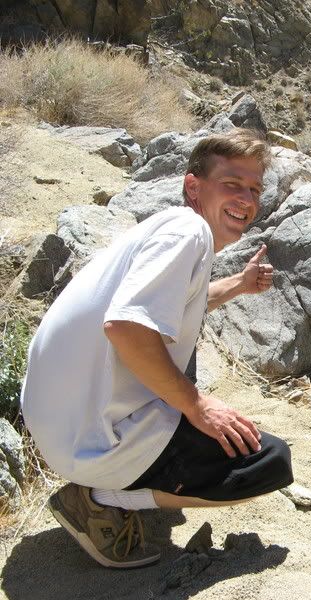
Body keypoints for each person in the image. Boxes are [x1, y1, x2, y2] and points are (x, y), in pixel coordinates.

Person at [20, 128, 293, 569]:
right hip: (88, 440)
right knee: (268, 462)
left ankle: (114, 477)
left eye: (254, 189)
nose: (246, 199)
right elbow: (127, 327)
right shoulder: (189, 232)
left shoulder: (171, 227)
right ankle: (96, 498)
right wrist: (197, 406)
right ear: (193, 187)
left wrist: (239, 285)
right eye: (232, 184)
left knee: (181, 358)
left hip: (57, 422)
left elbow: (176, 304)